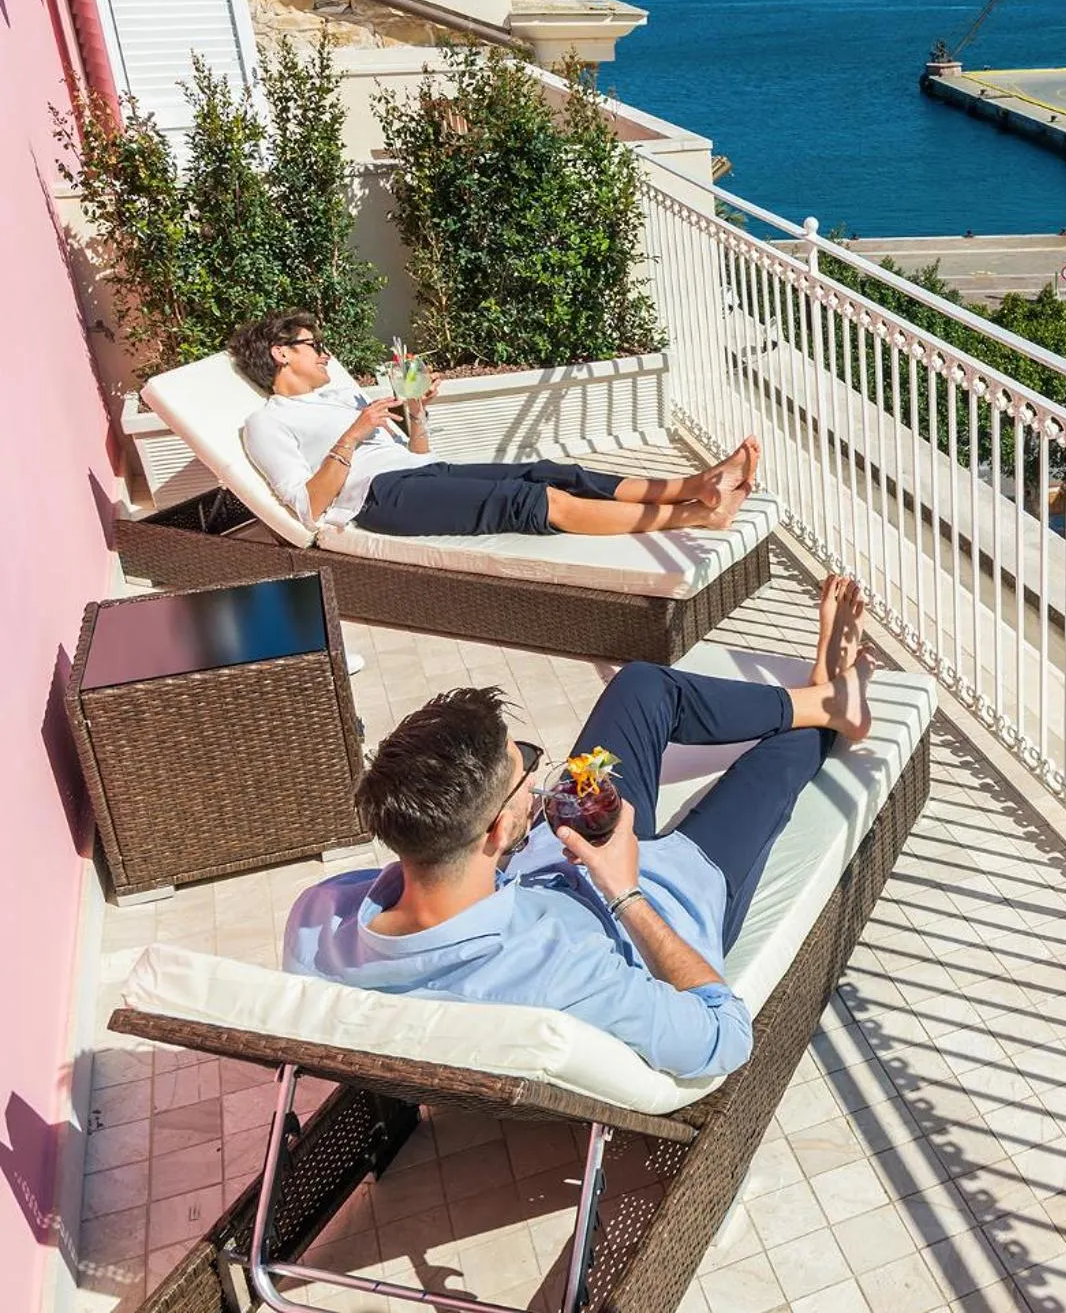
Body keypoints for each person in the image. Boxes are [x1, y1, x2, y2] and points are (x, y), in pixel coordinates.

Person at [283, 577, 874, 1080]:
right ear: (493, 829)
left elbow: (436, 882)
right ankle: (827, 697)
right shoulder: (562, 975)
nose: (540, 779)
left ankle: (820, 699)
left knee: (642, 686)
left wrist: (519, 844)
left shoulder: (318, 917)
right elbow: (724, 1038)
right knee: (772, 767)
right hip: (663, 897)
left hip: (550, 857)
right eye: (527, 777)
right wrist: (625, 890)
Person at [229, 310, 758, 537]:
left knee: (554, 471)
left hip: (422, 472)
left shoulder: (341, 392)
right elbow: (305, 508)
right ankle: (698, 517)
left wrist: (414, 408)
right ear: (281, 354)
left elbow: (415, 451)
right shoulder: (266, 422)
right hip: (379, 500)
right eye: (313, 346)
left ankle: (696, 486)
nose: (324, 353)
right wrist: (352, 435)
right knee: (536, 503)